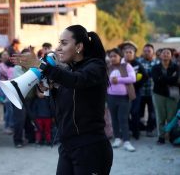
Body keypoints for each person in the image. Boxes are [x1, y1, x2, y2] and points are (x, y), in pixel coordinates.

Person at [11, 25, 113, 174]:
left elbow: (77, 81)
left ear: (79, 46)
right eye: (59, 43)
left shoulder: (96, 67)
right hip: (67, 147)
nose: (58, 48)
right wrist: (51, 89)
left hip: (90, 148)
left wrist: (41, 65)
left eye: (64, 43)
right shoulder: (69, 71)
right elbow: (61, 111)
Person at [107, 48, 136, 152]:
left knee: (123, 119)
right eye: (111, 56)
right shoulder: (108, 67)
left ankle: (127, 141)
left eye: (115, 56)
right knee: (114, 119)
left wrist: (118, 80)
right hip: (111, 97)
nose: (113, 58)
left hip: (124, 98)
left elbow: (133, 78)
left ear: (120, 56)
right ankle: (117, 139)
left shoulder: (126, 66)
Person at [119, 41, 148, 140]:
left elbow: (145, 76)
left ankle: (136, 132)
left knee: (135, 112)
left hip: (136, 92)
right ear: (123, 53)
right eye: (126, 52)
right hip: (122, 93)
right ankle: (126, 132)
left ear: (134, 53)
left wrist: (135, 84)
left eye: (130, 52)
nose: (128, 54)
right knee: (124, 113)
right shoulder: (120, 63)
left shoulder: (137, 64)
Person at [151, 48, 179, 144]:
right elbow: (156, 81)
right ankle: (161, 137)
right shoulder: (155, 68)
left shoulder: (176, 67)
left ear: (171, 56)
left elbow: (176, 80)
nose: (166, 54)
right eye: (164, 53)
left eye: (168, 53)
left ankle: (172, 136)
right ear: (160, 55)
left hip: (173, 95)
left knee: (172, 117)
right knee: (160, 117)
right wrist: (171, 78)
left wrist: (163, 78)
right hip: (158, 94)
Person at [138, 44, 158, 137]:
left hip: (152, 92)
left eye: (148, 51)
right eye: (145, 51)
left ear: (153, 52)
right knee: (139, 111)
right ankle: (141, 127)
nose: (146, 53)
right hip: (140, 92)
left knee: (152, 112)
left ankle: (150, 129)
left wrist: (145, 74)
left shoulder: (157, 63)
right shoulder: (138, 62)